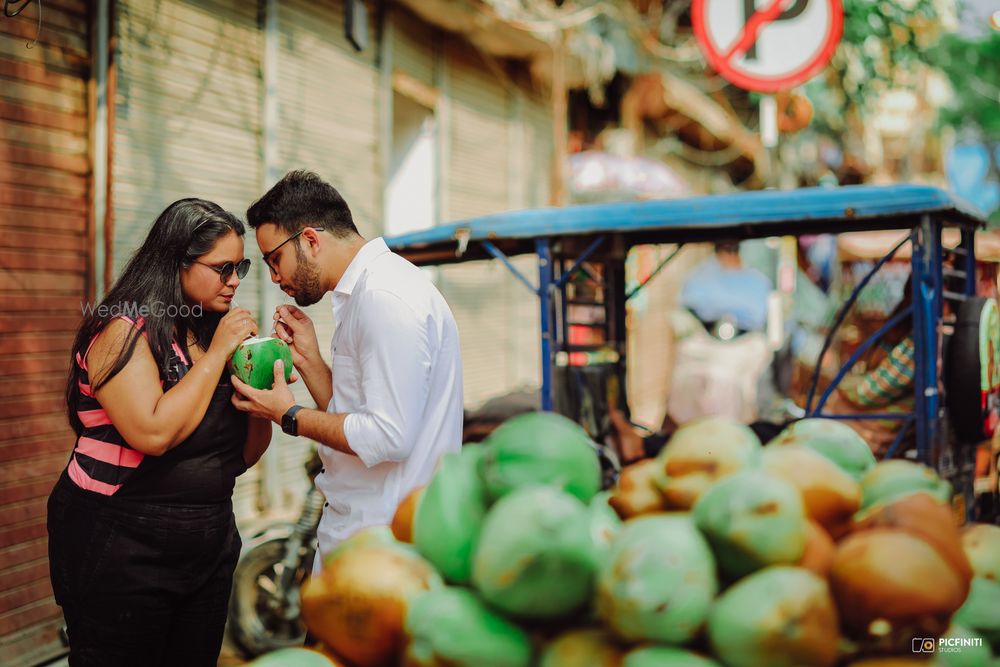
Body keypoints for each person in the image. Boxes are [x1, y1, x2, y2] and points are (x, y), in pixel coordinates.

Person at [47, 199, 274, 666]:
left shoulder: (214, 332)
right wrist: (218, 357)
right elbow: (150, 434)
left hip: (207, 541)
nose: (235, 280)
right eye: (223, 267)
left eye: (241, 266)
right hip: (120, 540)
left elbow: (244, 456)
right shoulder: (122, 331)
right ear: (176, 262)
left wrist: (260, 386)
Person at [230, 170, 463, 572]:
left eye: (274, 260)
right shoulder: (367, 294)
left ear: (310, 239)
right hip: (362, 537)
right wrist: (309, 360)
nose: (274, 277)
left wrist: (287, 415)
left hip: (381, 550)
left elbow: (388, 437)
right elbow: (358, 414)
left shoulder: (384, 299)